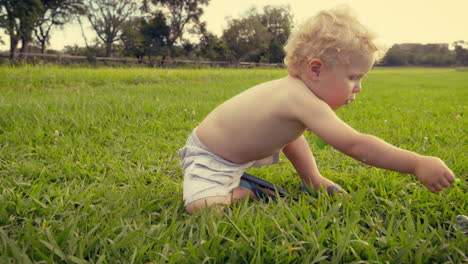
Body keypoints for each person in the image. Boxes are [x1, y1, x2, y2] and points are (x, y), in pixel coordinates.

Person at [178, 6, 456, 215]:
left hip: (235, 156)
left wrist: (313, 176)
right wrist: (417, 163)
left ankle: (309, 180)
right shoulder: (296, 97)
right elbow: (356, 145)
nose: (358, 87)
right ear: (316, 69)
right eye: (353, 77)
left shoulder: (298, 96)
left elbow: (290, 138)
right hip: (210, 158)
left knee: (292, 133)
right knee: (202, 208)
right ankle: (242, 191)